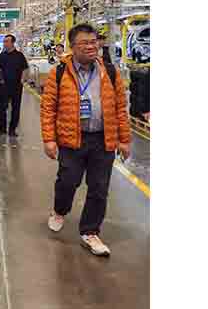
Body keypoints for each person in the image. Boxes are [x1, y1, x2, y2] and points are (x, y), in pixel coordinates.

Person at [40, 23, 131, 257]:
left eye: (94, 42)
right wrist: (49, 139)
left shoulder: (109, 72)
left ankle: (90, 231)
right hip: (71, 139)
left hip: (103, 139)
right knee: (68, 181)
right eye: (85, 43)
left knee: (99, 188)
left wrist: (124, 139)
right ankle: (60, 210)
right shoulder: (59, 73)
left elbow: (120, 108)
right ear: (73, 47)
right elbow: (48, 108)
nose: (91, 47)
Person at [0, 34, 29, 136]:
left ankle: (12, 130)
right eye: (4, 41)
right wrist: (0, 79)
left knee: (16, 108)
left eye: (7, 41)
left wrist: (22, 80)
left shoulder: (19, 56)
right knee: (2, 108)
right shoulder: (1, 56)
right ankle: (2, 129)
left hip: (17, 86)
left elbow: (25, 68)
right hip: (4, 86)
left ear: (12, 43)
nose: (5, 43)